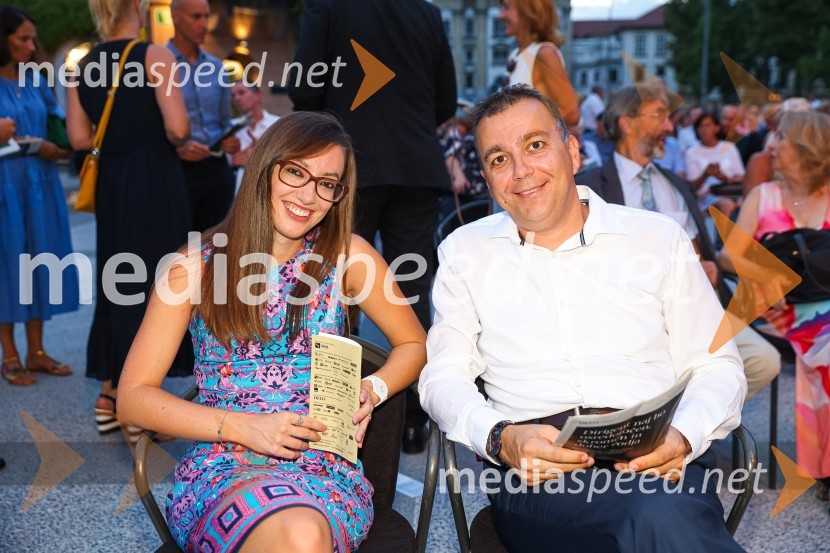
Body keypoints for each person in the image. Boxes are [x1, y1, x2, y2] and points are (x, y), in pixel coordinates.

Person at [420, 85, 746, 552]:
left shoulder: (658, 239)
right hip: (540, 475)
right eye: (499, 159)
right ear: (488, 181)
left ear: (572, 152)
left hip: (657, 454)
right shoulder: (464, 253)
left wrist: (684, 435)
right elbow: (442, 378)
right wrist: (499, 438)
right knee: (659, 516)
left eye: (535, 145)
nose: (521, 171)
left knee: (658, 510)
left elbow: (718, 365)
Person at [117, 111, 427, 553]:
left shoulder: (348, 256)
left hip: (324, 474)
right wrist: (243, 427)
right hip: (222, 469)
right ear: (265, 167)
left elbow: (415, 343)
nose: (309, 195)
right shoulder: (194, 266)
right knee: (299, 536)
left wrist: (372, 389)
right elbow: (132, 398)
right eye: (296, 172)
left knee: (301, 532)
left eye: (327, 183)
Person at [289, 0, 457, 454]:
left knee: (334, 286)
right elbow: (445, 98)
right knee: (412, 289)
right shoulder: (427, 12)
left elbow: (304, 86)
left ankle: (332, 411)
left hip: (349, 161)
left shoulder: (329, 5)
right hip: (415, 163)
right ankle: (413, 420)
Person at [576, 84, 780, 401]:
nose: (670, 127)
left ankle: (690, 418)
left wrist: (705, 266)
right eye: (660, 116)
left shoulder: (675, 184)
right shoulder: (589, 188)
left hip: (692, 310)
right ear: (627, 123)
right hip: (627, 316)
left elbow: (695, 247)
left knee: (764, 361)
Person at [66, 0, 191, 434]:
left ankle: (110, 393)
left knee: (117, 279)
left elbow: (78, 137)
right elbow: (179, 128)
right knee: (157, 281)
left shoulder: (82, 65)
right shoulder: (155, 55)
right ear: (137, 6)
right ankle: (138, 406)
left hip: (113, 181)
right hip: (154, 178)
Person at [719, 110, 830, 499]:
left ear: (806, 148)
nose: (772, 145)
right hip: (774, 310)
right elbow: (726, 255)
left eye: (781, 138)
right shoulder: (763, 195)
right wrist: (762, 272)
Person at [0, 6, 78, 386]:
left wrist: (59, 144)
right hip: (4, 185)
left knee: (40, 262)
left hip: (41, 184)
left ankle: (37, 350)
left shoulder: (36, 80)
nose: (32, 46)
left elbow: (57, 123)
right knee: (7, 264)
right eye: (23, 39)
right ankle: (9, 355)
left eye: (33, 38)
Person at [169, 0, 240, 232]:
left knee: (219, 241)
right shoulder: (158, 65)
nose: (204, 24)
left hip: (217, 169)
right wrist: (176, 148)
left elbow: (225, 121)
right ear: (176, 17)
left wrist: (230, 141)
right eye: (196, 17)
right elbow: (149, 125)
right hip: (178, 170)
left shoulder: (217, 67)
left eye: (206, 16)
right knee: (179, 243)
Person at [499, 0, 579, 127]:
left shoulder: (545, 53)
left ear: (528, 12)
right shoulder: (516, 54)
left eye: (506, 8)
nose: (501, 16)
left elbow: (571, 115)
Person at [685, 112, 742, 218]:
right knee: (727, 205)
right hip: (706, 196)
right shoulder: (692, 152)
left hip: (730, 192)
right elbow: (692, 186)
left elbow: (741, 175)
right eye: (700, 126)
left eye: (708, 125)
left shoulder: (729, 147)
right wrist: (706, 174)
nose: (703, 129)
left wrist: (725, 178)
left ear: (716, 128)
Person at [228, 80, 279, 192]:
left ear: (257, 95)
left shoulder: (278, 125)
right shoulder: (230, 127)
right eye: (233, 95)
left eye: (241, 92)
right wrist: (232, 161)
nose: (236, 98)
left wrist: (259, 155)